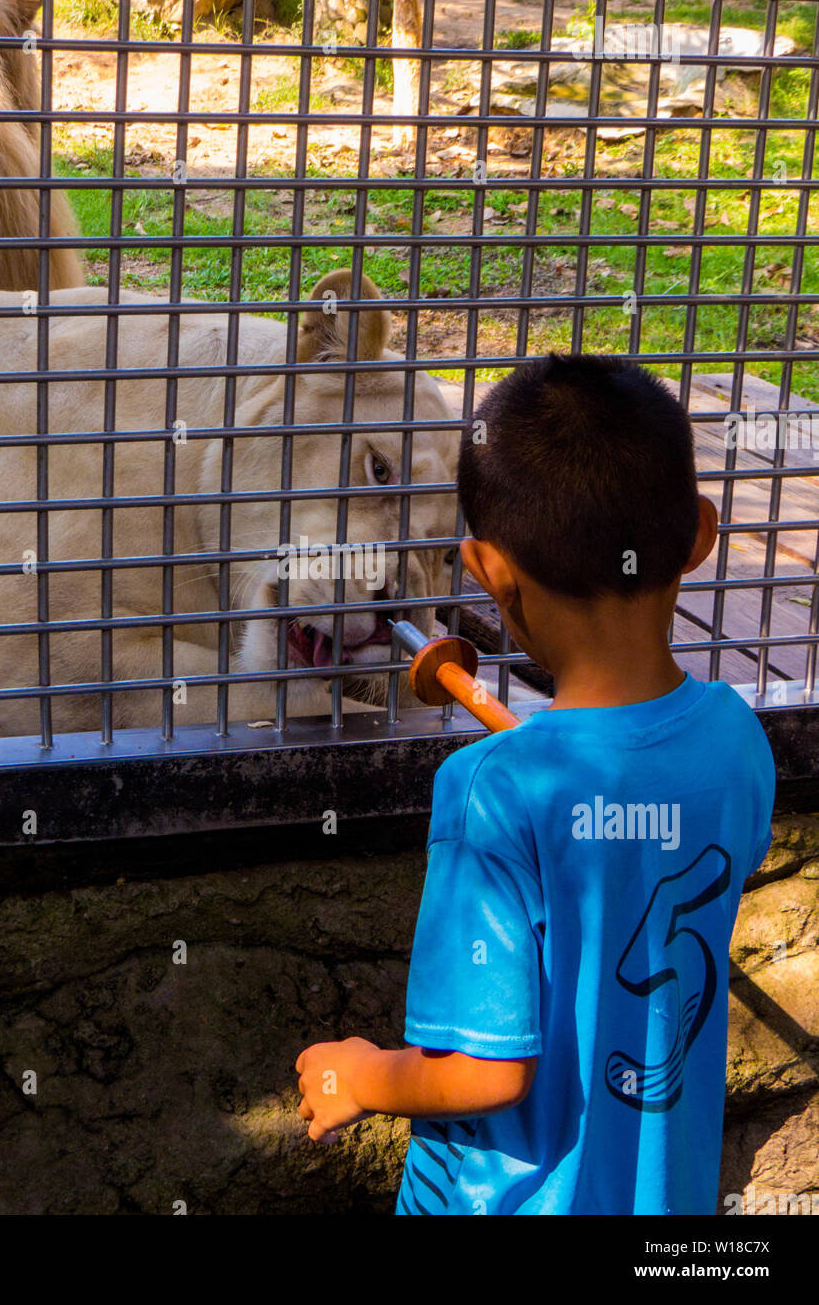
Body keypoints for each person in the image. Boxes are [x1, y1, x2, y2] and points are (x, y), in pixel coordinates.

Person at [295, 354, 776, 1215]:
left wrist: (357, 1073)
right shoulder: (735, 738)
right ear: (700, 535)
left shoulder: (488, 788)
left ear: (487, 572)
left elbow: (486, 1072)